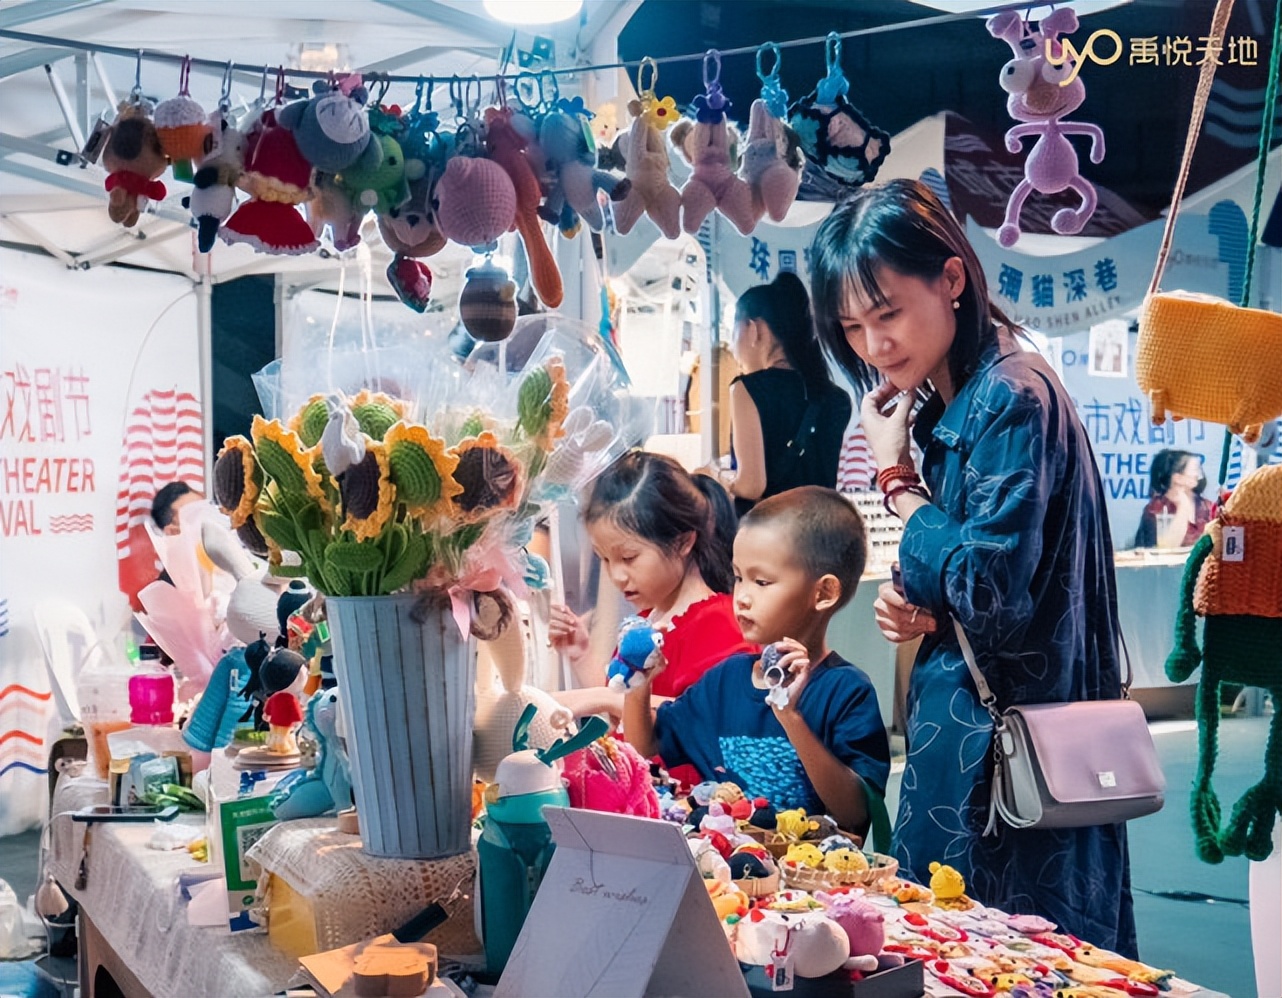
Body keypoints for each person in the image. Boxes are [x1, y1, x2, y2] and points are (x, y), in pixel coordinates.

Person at [808, 178, 1136, 955]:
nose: (874, 346)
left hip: (1009, 759)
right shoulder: (963, 398)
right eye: (852, 327)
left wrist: (896, 486)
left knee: (1006, 957)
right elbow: (981, 575)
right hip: (987, 744)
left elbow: (986, 591)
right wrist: (919, 608)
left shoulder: (1009, 396)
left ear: (952, 279)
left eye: (887, 313)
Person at [622, 486, 889, 833]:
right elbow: (645, 745)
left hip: (809, 880)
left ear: (823, 593)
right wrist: (638, 683)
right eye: (738, 577)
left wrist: (790, 717)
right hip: (725, 878)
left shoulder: (846, 691)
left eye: (761, 581)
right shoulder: (726, 680)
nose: (742, 597)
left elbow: (856, 813)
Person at [550, 451, 756, 716]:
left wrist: (605, 698)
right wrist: (581, 655)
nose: (617, 576)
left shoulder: (721, 624)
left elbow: (705, 720)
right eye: (605, 559)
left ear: (683, 542)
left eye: (628, 557)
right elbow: (622, 717)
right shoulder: (648, 621)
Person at [717, 272, 853, 517]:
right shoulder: (836, 398)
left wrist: (718, 477)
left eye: (733, 331)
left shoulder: (747, 388)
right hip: (822, 534)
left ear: (753, 329)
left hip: (772, 539)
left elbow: (751, 485)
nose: (733, 346)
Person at [1135, 449, 1213, 548]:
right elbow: (1166, 548)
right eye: (1194, 470)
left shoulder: (1207, 506)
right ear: (1177, 478)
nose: (1199, 475)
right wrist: (1183, 506)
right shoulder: (1155, 509)